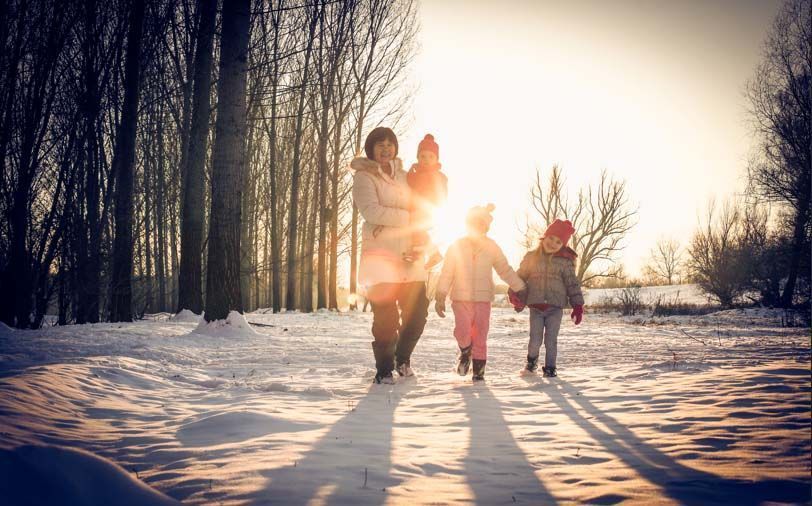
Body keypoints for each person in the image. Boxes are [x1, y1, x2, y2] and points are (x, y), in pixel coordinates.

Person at [351, 127, 429, 384]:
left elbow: (423, 204)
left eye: (390, 144)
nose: (386, 149)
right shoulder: (364, 177)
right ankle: (384, 369)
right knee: (385, 319)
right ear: (371, 149)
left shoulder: (407, 176)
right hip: (381, 259)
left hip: (410, 256)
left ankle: (402, 358)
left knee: (418, 314)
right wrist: (408, 218)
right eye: (380, 145)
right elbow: (371, 212)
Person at [434, 204, 526, 381]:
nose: (476, 227)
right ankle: (465, 351)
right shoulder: (456, 246)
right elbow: (447, 272)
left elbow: (504, 270)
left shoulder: (492, 247)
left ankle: (479, 373)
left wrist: (520, 287)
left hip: (483, 299)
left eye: (480, 224)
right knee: (462, 332)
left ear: (486, 227)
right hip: (460, 298)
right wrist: (440, 294)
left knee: (481, 335)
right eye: (473, 223)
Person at [509, 219, 584, 377]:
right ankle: (531, 362)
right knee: (535, 339)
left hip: (555, 308)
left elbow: (572, 284)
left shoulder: (565, 263)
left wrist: (578, 306)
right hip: (535, 307)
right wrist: (514, 293)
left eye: (558, 242)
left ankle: (550, 368)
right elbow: (519, 277)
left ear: (562, 245)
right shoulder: (531, 257)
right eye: (551, 238)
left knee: (551, 340)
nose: (553, 243)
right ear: (544, 237)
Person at [404, 134, 447, 269]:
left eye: (430, 157)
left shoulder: (438, 175)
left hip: (427, 209)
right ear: (418, 158)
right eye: (423, 156)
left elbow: (442, 194)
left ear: (436, 159)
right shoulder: (416, 173)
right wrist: (411, 173)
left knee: (416, 229)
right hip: (415, 209)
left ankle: (418, 253)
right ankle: (431, 253)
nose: (426, 160)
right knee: (417, 231)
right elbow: (409, 183)